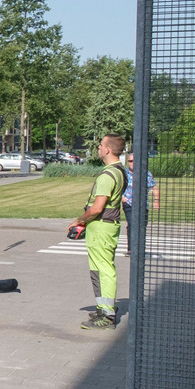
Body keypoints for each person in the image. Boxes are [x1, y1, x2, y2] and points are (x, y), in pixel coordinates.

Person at [70, 135, 128, 329]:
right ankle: (103, 308)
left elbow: (96, 208)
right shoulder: (119, 171)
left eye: (101, 145)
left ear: (108, 149)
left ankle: (107, 316)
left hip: (101, 227)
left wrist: (79, 220)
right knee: (100, 269)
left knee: (103, 270)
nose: (98, 147)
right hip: (106, 227)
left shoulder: (107, 175)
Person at [121, 151, 159, 258]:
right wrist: (121, 197)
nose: (132, 163)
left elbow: (154, 187)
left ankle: (140, 248)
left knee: (142, 226)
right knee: (132, 225)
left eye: (134, 161)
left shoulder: (146, 174)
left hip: (142, 205)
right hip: (128, 203)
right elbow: (118, 187)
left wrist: (157, 201)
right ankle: (132, 249)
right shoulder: (124, 174)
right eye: (130, 161)